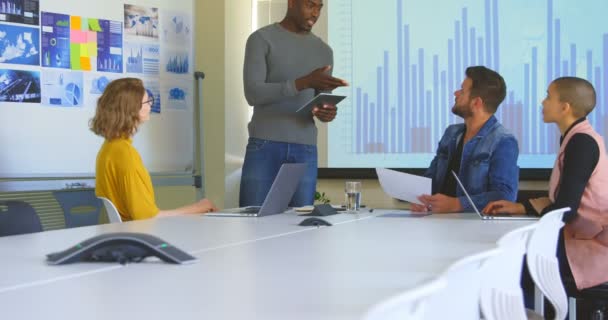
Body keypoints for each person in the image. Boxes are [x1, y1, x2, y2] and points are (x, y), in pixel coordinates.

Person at [484, 77, 608, 291]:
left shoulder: (581, 143)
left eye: (549, 96)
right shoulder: (576, 137)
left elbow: (565, 210)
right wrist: (522, 208)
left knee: (504, 265)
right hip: (577, 240)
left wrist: (526, 218)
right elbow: (563, 200)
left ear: (565, 107)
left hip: (588, 249)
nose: (543, 102)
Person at [240, 0, 348, 207]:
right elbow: (253, 94)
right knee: (252, 223)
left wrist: (327, 112)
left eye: (320, 7)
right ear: (291, 3)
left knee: (301, 229)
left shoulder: (324, 51)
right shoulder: (261, 39)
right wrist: (302, 83)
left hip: (305, 149)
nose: (315, 12)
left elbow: (320, 100)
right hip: (264, 145)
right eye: (310, 5)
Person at [91, 78, 217, 221]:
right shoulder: (126, 155)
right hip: (139, 235)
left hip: (125, 234)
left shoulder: (108, 148)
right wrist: (199, 208)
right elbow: (147, 217)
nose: (151, 104)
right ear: (132, 109)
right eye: (147, 101)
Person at [411, 66, 519, 213]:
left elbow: (504, 197)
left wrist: (457, 204)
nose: (456, 93)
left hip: (475, 228)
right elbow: (430, 180)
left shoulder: (503, 141)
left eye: (462, 90)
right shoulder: (451, 134)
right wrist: (423, 201)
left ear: (477, 103)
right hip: (436, 222)